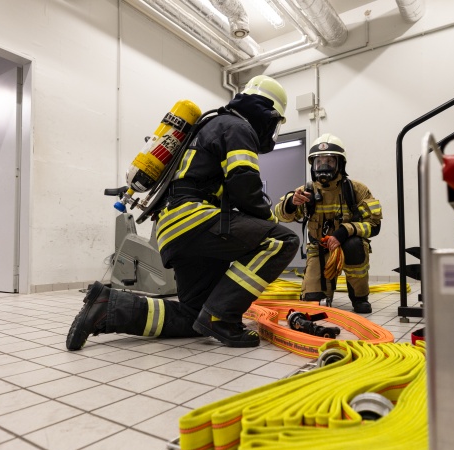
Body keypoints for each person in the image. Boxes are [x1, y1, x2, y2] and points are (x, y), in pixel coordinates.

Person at [66, 75, 299, 350]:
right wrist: (271, 220)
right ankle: (222, 316)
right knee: (282, 240)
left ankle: (107, 307)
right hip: (194, 219)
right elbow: (244, 185)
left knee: (194, 316)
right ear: (267, 114)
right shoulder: (238, 127)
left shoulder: (211, 126)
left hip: (173, 227)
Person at [275, 133, 382, 314]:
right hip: (319, 248)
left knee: (355, 246)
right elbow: (280, 215)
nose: (323, 166)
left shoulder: (356, 190)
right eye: (319, 162)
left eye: (330, 161)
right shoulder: (305, 191)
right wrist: (292, 203)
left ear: (340, 164)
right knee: (312, 301)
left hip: (347, 245)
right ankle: (319, 290)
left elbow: (374, 225)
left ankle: (359, 297)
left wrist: (344, 232)